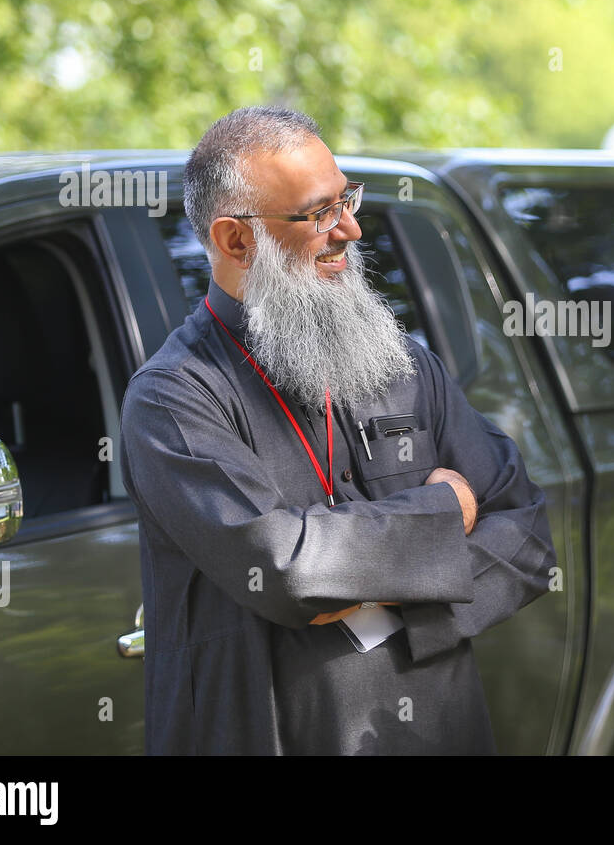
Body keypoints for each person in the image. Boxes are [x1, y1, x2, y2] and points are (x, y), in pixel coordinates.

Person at [119, 106, 555, 754]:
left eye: (347, 197)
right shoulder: (173, 398)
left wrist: (392, 598)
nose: (350, 227)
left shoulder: (404, 362)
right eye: (320, 212)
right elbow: (289, 573)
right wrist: (447, 510)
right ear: (237, 241)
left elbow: (528, 537)